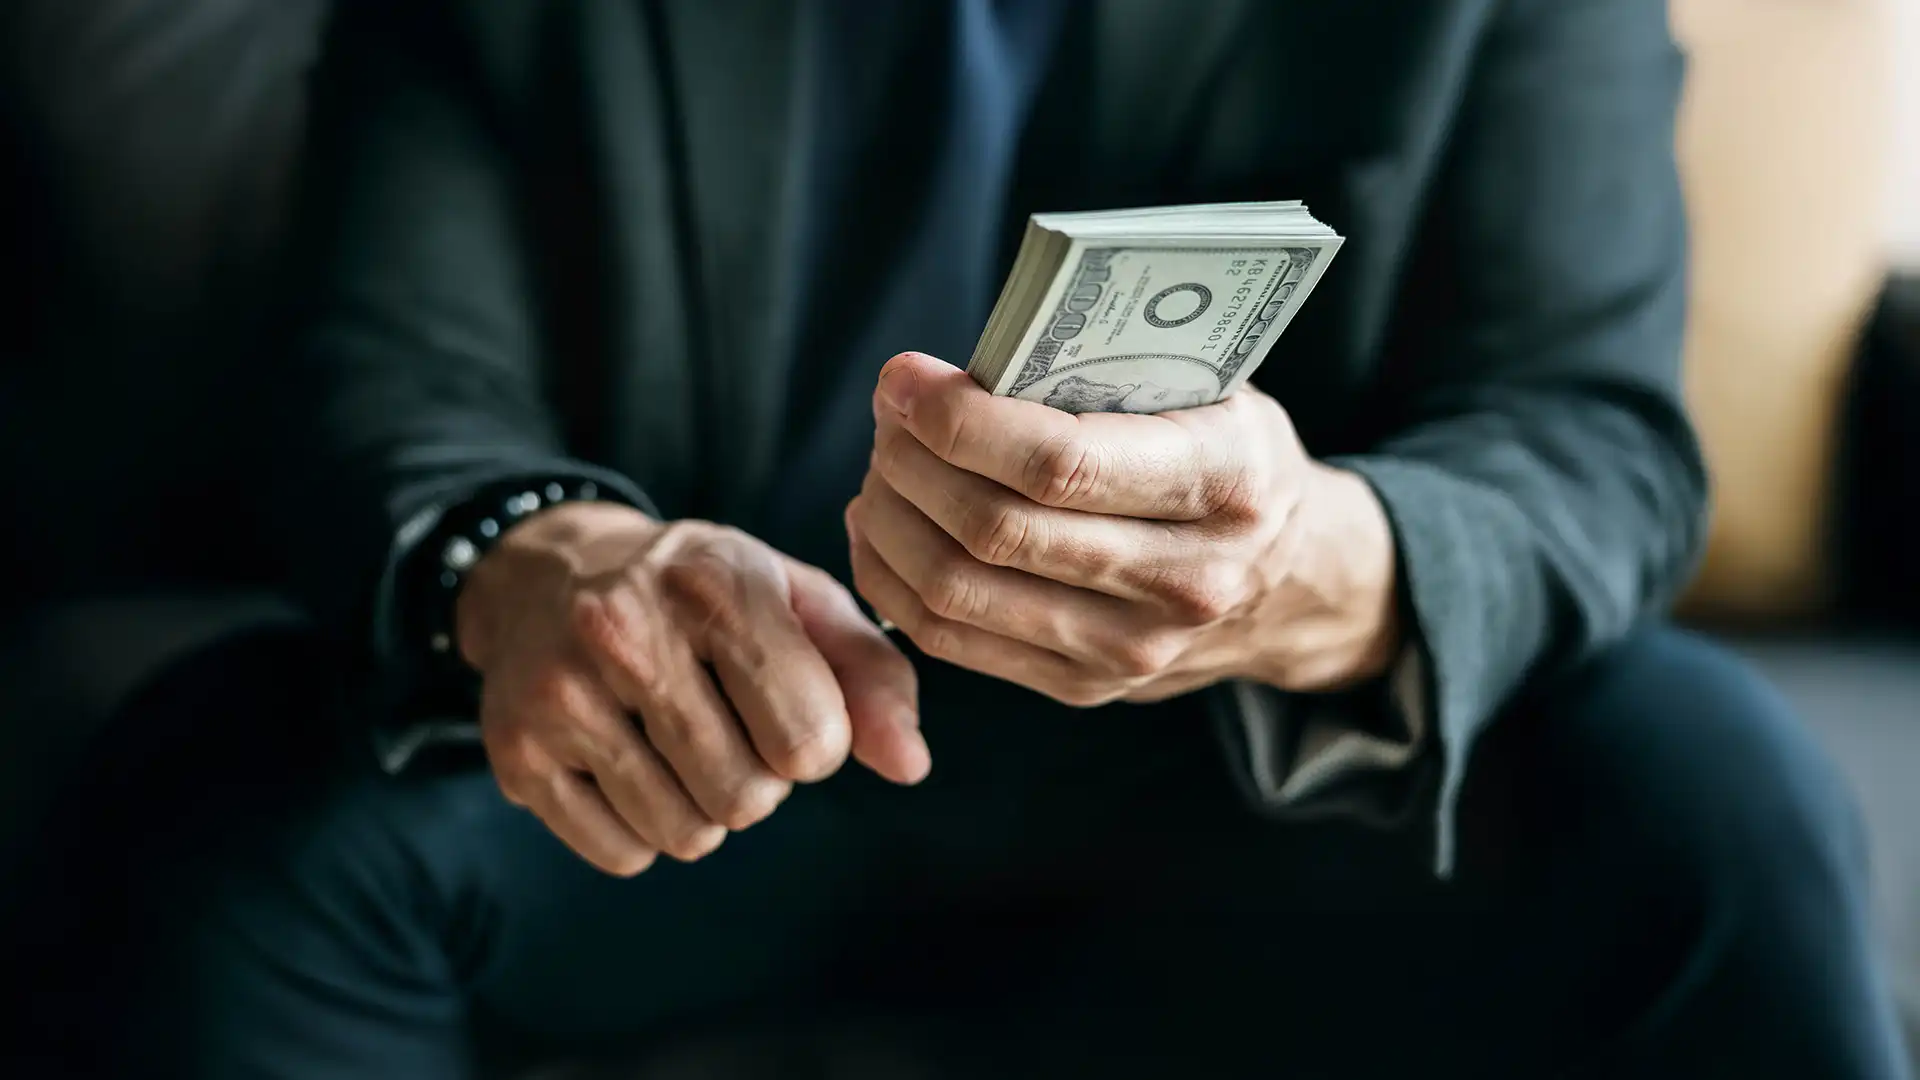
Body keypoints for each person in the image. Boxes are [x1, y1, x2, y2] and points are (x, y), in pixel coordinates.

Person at [107, 0, 1912, 1076]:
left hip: (1252, 781)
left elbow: (1592, 434)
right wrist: (542, 560)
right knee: (226, 811)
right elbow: (383, 373)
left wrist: (1314, 574)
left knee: (1717, 802)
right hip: (712, 763)